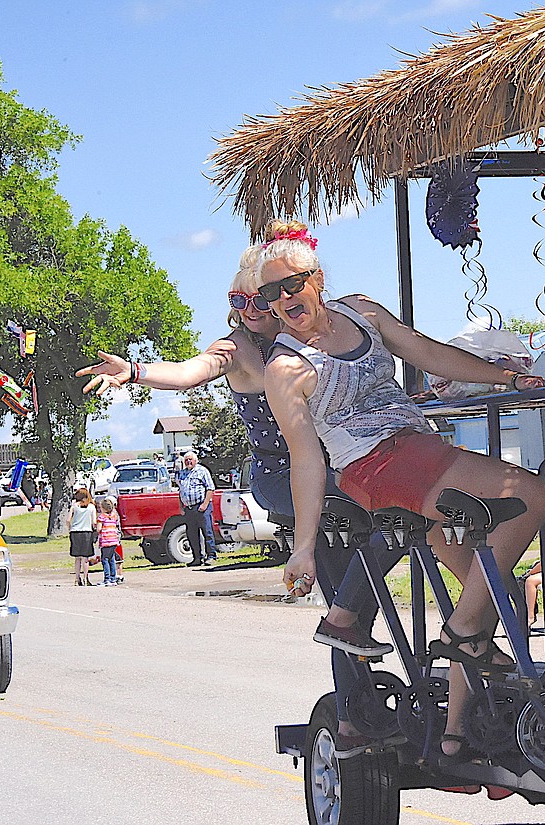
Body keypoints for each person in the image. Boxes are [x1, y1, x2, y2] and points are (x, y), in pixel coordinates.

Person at [254, 219, 545, 761]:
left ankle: (457, 735)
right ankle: (459, 632)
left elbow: (425, 351)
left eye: (292, 283)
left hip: (416, 445)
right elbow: (305, 458)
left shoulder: (361, 311)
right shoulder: (284, 368)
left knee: (498, 598)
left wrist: (503, 377)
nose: (284, 299)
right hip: (374, 467)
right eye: (270, 294)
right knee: (532, 495)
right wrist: (302, 547)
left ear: (316, 278)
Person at [76, 249, 380, 756]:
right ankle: (351, 688)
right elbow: (191, 372)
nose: (255, 306)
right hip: (283, 474)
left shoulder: (302, 336)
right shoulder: (237, 347)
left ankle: (356, 699)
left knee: (353, 578)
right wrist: (133, 371)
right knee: (368, 534)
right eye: (241, 299)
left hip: (330, 468)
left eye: (261, 296)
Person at [177, 451, 217, 566]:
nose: (188, 461)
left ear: (196, 460)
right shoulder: (182, 473)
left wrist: (204, 504)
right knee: (192, 534)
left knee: (207, 532)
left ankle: (211, 556)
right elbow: (181, 491)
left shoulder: (202, 471)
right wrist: (181, 506)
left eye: (191, 459)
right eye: (186, 460)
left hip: (202, 506)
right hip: (188, 508)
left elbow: (210, 488)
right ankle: (197, 558)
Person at [67, 488, 97, 586]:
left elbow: (68, 520)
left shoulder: (74, 506)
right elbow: (94, 522)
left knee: (77, 557)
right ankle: (85, 578)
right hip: (87, 532)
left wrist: (70, 528)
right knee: (85, 558)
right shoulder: (91, 507)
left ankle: (76, 578)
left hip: (75, 532)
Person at [96, 496, 123, 586]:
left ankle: (106, 579)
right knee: (111, 559)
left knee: (105, 560)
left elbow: (99, 529)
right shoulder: (114, 516)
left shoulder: (102, 517)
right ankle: (113, 578)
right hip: (114, 540)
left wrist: (96, 527)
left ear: (103, 508)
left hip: (106, 541)